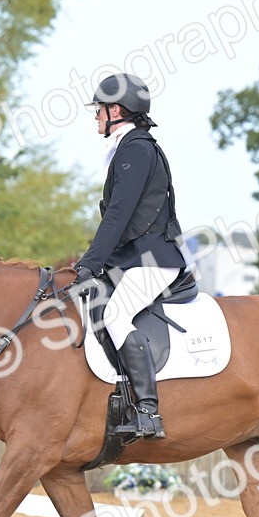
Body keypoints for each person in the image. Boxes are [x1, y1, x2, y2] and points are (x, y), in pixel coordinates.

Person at [73, 73, 186, 441]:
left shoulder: (135, 149)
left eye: (99, 111)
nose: (96, 118)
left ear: (116, 110)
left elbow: (118, 215)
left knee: (116, 315)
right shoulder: (130, 147)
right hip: (135, 258)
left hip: (153, 259)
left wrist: (90, 262)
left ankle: (148, 412)